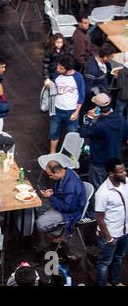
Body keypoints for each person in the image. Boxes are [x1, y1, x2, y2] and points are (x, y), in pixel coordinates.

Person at [80, 93, 128, 189]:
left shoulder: (99, 125)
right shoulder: (121, 119)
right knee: (114, 187)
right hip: (115, 161)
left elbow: (83, 133)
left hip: (99, 163)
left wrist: (89, 118)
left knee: (96, 189)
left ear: (97, 107)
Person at [94, 158, 128, 286]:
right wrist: (108, 238)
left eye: (124, 170)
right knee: (104, 264)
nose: (124, 173)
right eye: (121, 171)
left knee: (119, 258)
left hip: (125, 231)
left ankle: (114, 281)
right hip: (110, 234)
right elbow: (99, 217)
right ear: (111, 174)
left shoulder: (126, 182)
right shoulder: (103, 193)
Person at [36, 161, 86, 241]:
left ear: (57, 172)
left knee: (40, 224)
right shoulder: (65, 172)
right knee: (38, 207)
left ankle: (58, 232)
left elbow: (67, 208)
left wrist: (51, 197)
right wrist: (53, 192)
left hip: (69, 211)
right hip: (62, 201)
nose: (50, 177)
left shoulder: (71, 186)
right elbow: (62, 190)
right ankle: (51, 222)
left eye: (50, 175)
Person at [47, 55, 85, 154]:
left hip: (71, 111)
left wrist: (77, 112)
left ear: (68, 70)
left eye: (61, 68)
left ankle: (71, 155)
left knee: (72, 134)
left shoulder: (78, 77)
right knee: (53, 132)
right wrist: (48, 84)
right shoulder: (56, 74)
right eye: (58, 66)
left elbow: (81, 96)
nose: (57, 69)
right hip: (56, 110)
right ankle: (52, 153)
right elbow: (53, 89)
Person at [81, 44, 115, 116]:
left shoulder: (98, 60)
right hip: (94, 97)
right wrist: (98, 98)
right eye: (111, 56)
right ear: (105, 57)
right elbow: (88, 89)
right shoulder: (92, 70)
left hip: (102, 89)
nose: (112, 58)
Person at [115, 52, 128, 121]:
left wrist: (117, 77)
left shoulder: (121, 71)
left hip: (122, 96)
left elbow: (119, 86)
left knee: (119, 114)